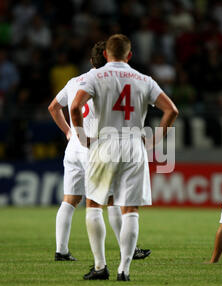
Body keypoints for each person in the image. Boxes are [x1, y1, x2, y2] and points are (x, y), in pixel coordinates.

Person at [70, 34, 178, 281]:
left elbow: (75, 107)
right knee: (130, 209)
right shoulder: (144, 79)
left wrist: (81, 136)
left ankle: (100, 267)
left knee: (94, 204)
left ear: (105, 54)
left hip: (103, 143)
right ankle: (124, 270)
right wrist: (155, 140)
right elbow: (172, 110)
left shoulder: (94, 76)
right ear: (130, 55)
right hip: (133, 144)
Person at [48, 40, 151, 262]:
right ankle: (128, 251)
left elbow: (53, 107)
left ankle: (61, 251)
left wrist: (69, 132)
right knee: (112, 199)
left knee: (70, 199)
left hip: (74, 147)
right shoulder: (107, 82)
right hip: (95, 146)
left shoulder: (75, 81)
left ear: (90, 60)